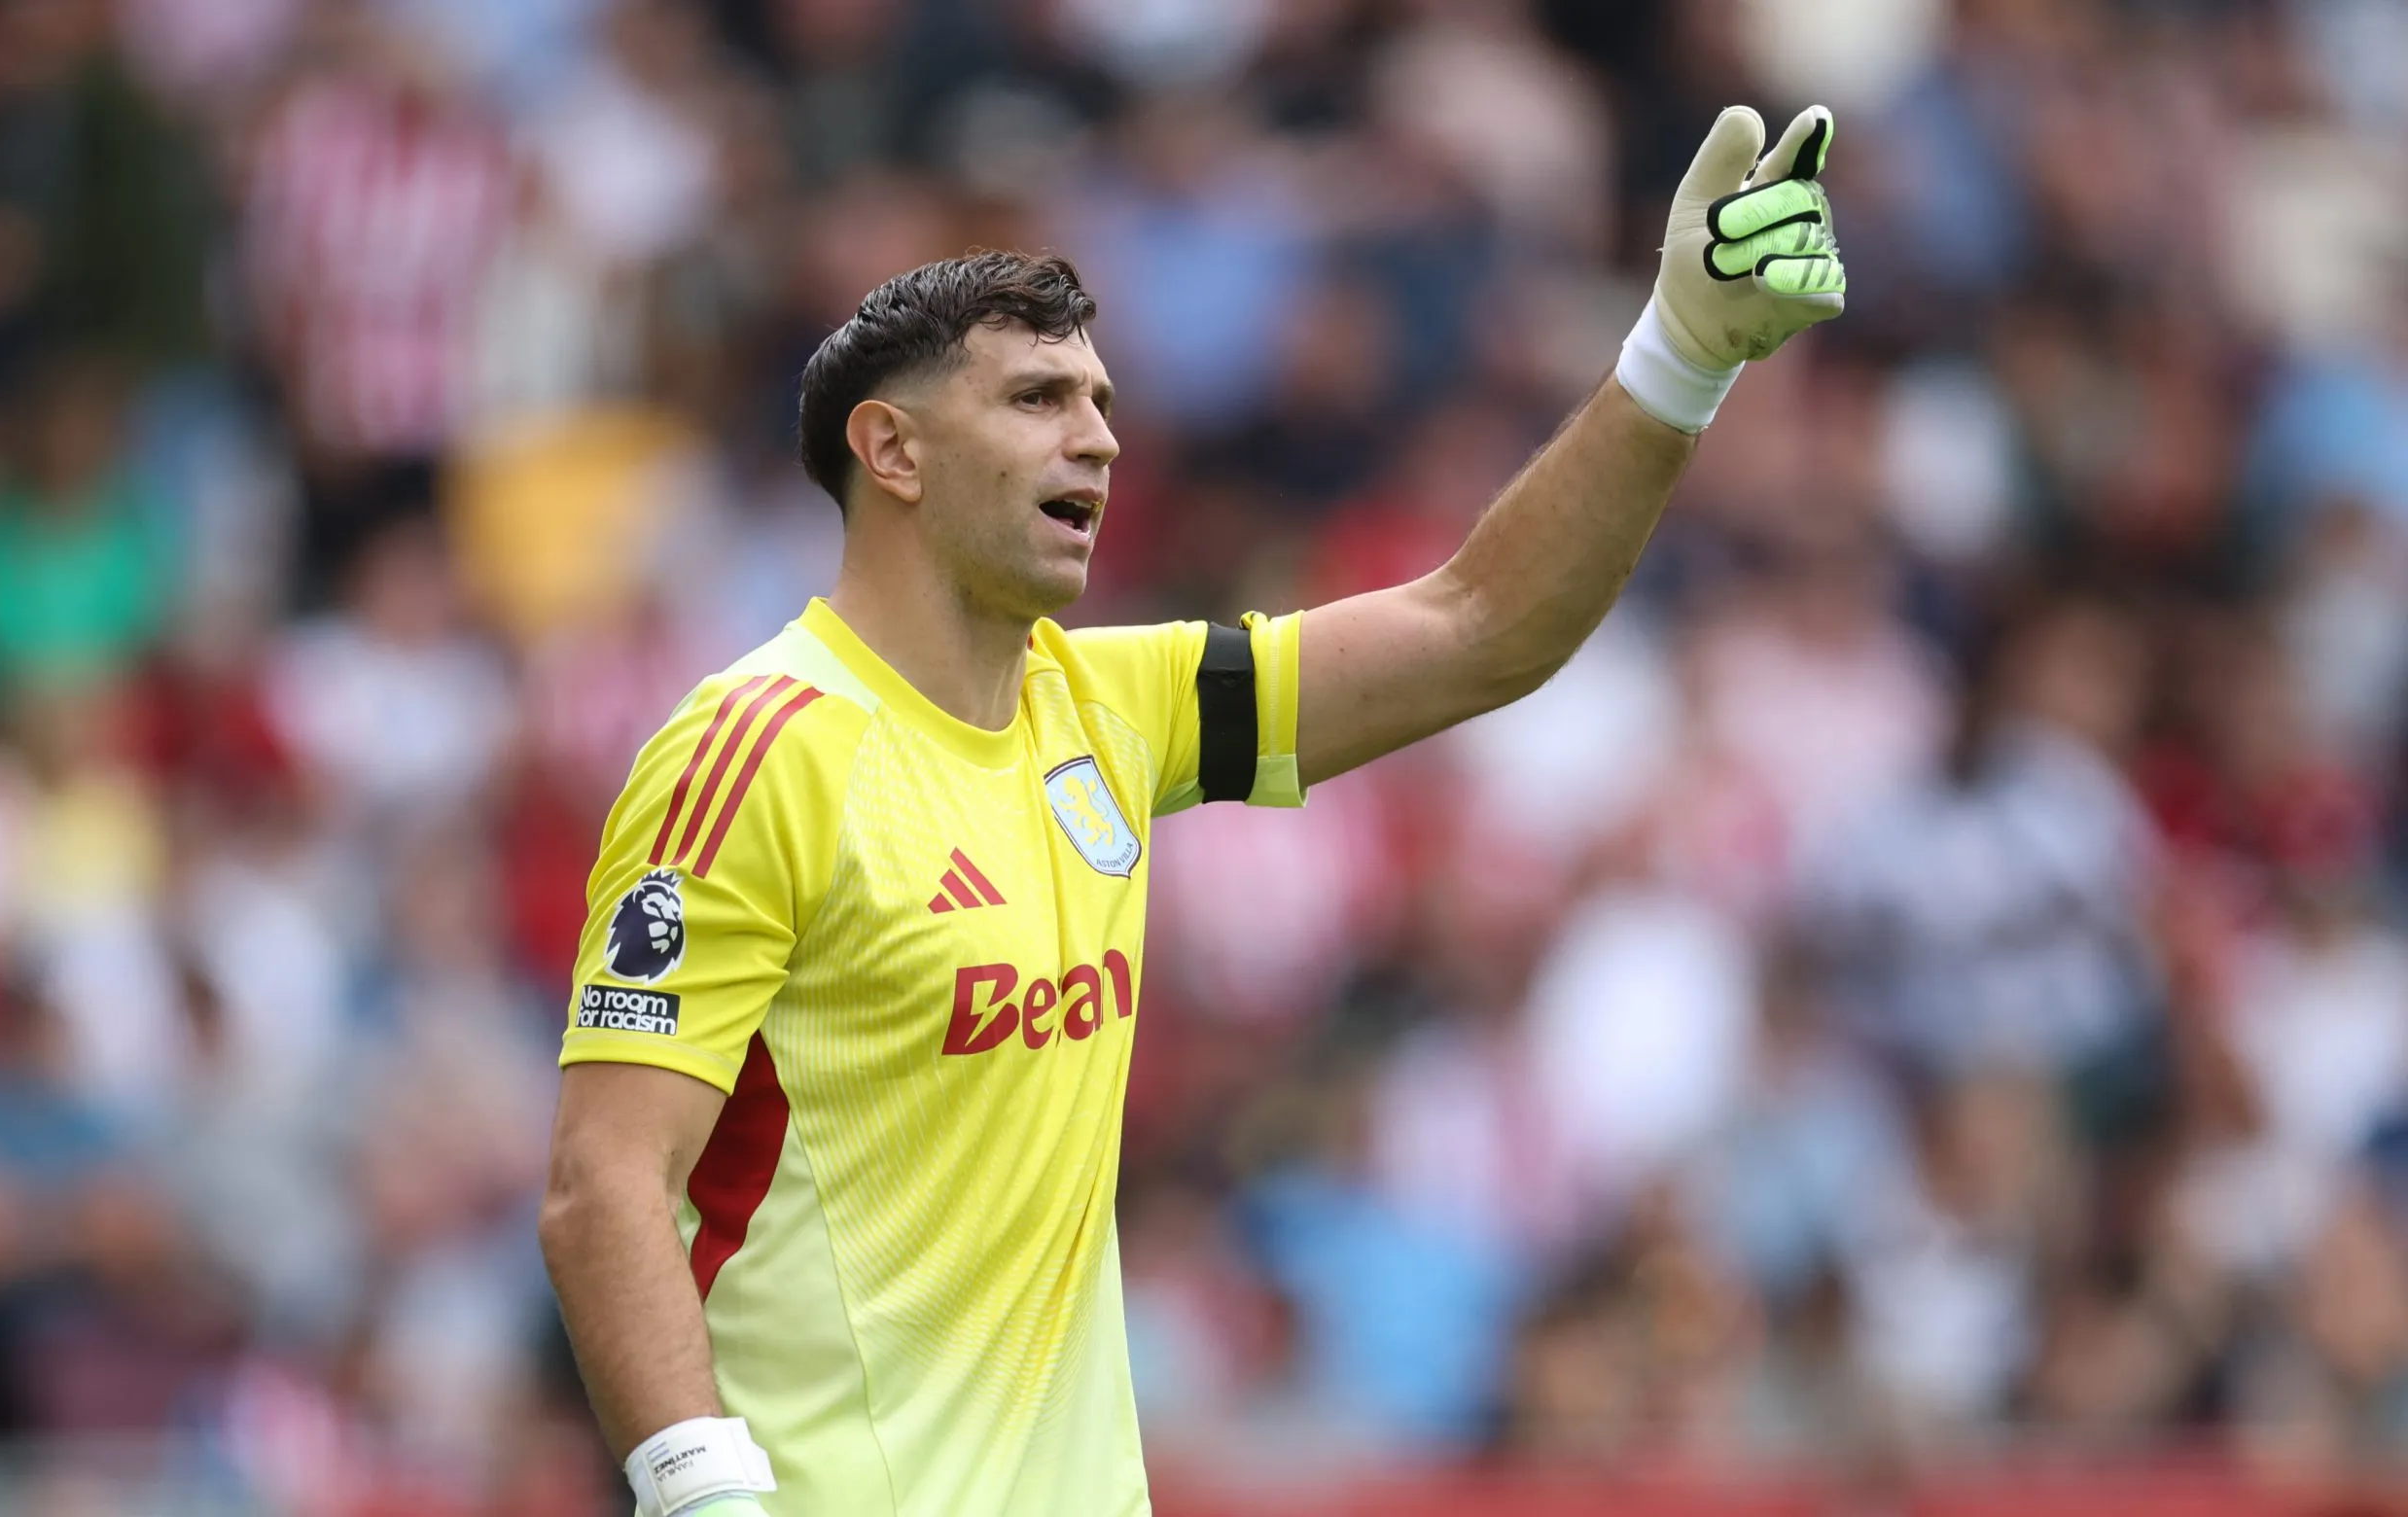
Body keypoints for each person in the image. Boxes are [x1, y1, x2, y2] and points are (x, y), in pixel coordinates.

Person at [538, 104, 1847, 1517]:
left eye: (1103, 402)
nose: (1097, 440)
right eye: (1038, 400)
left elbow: (1480, 627)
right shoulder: (753, 751)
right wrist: (699, 1490)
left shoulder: (1112, 709)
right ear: (893, 451)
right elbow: (604, 1185)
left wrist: (1679, 358)